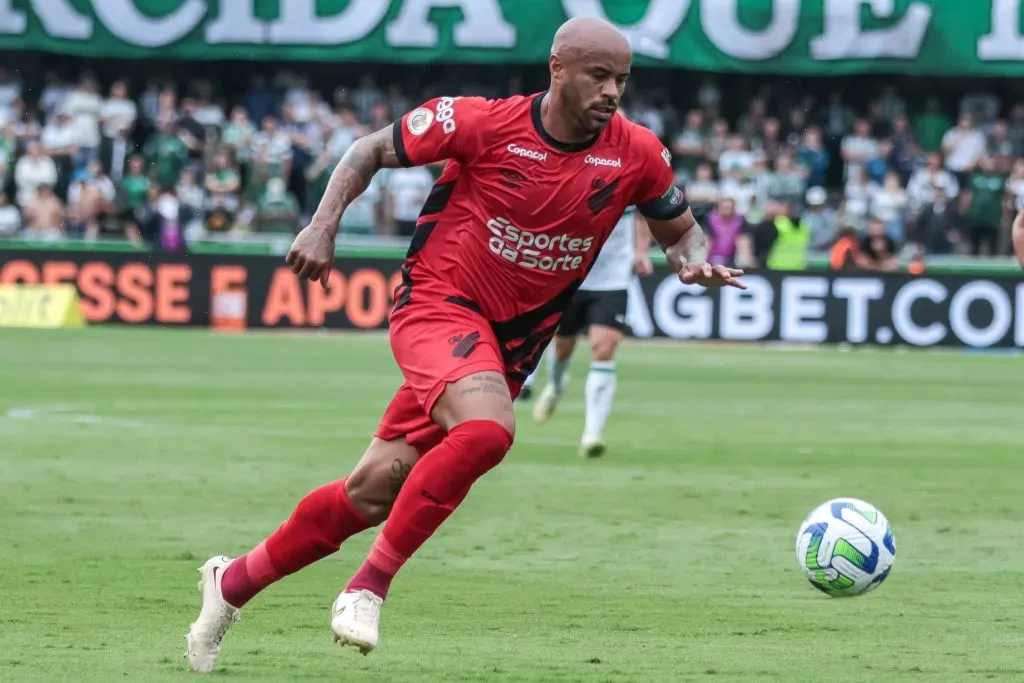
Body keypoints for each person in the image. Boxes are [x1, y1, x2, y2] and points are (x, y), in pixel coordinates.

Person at [185, 17, 744, 673]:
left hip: (509, 347)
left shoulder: (637, 152)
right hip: (438, 303)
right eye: (599, 76)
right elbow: (369, 149)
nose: (612, 91)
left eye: (622, 79)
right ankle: (367, 587)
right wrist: (322, 224)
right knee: (487, 430)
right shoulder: (481, 123)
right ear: (557, 68)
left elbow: (680, 230)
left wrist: (691, 259)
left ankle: (231, 583)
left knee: (370, 492)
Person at [518, 205, 653, 457]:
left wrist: (641, 251)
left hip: (613, 279)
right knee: (562, 347)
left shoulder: (630, 182)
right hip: (570, 274)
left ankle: (592, 433)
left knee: (603, 349)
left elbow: (644, 213)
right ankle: (557, 386)